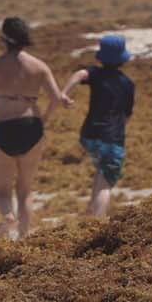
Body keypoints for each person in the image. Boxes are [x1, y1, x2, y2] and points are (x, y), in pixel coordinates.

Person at [0, 16, 71, 241]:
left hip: (1, 128)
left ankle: (7, 215)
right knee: (25, 189)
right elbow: (57, 99)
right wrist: (44, 119)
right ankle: (24, 236)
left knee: (2, 189)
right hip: (31, 127)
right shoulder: (39, 66)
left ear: (3, 39)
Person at [61, 34, 136, 220]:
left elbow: (79, 74)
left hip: (89, 135)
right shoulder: (127, 84)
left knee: (101, 172)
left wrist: (64, 93)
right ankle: (97, 222)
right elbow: (127, 116)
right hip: (111, 138)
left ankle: (90, 212)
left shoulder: (95, 74)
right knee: (106, 183)